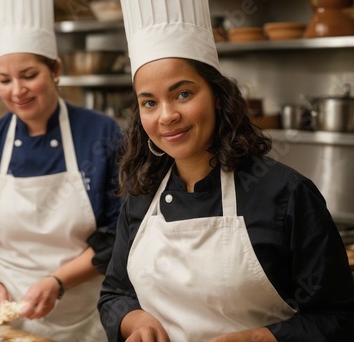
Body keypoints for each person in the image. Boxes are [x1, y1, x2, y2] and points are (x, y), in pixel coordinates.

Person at [98, 0, 354, 341]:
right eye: (150, 102)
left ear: (218, 96)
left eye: (183, 93)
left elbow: (339, 318)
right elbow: (115, 293)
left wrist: (257, 338)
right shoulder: (143, 193)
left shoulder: (285, 194)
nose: (166, 116)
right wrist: (136, 320)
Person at [0, 0, 122, 340]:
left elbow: (122, 233)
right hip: (3, 315)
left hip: (81, 315)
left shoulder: (102, 134)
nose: (17, 91)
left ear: (55, 69)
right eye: (4, 79)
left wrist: (58, 281)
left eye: (29, 76)